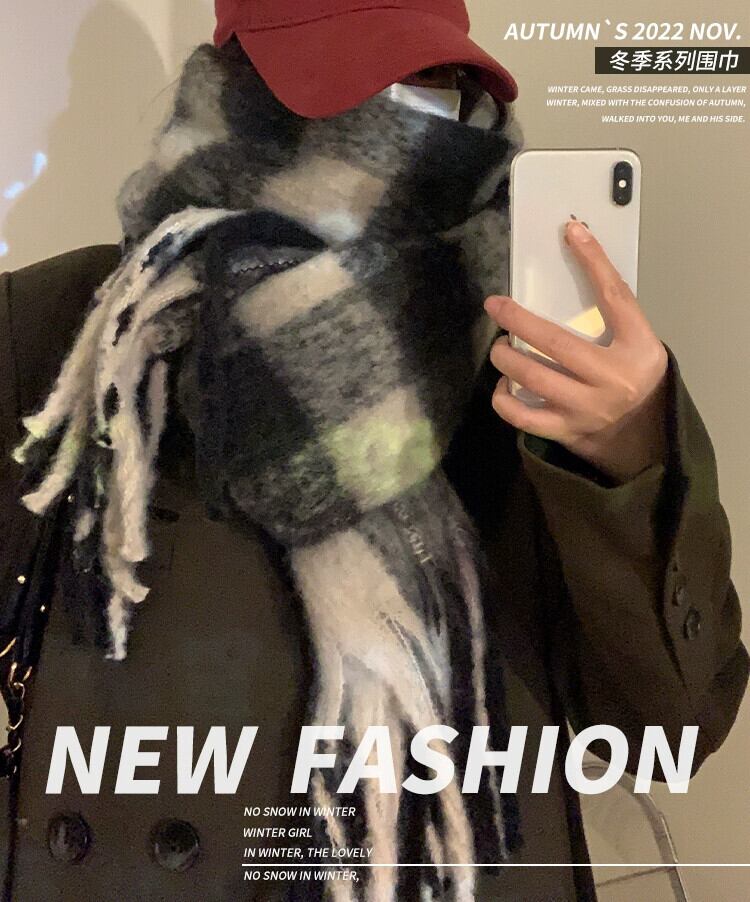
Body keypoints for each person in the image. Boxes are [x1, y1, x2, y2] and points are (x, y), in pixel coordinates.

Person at [0, 2, 746, 900]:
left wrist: (628, 459)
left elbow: (669, 736)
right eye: (353, 81)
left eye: (436, 81)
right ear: (239, 80)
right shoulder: (70, 333)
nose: (410, 111)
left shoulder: (545, 358)